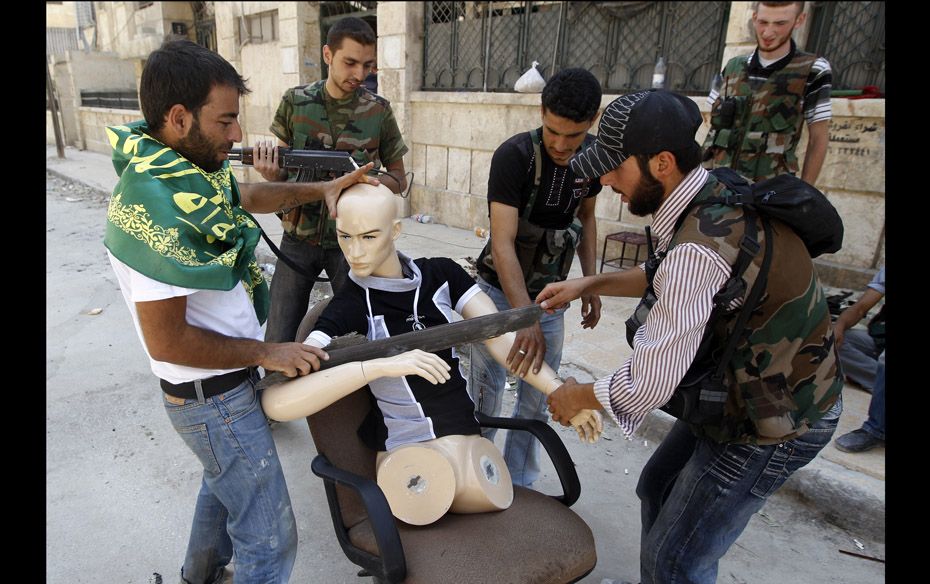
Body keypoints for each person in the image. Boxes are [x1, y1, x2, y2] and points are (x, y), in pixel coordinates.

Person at [537, 88, 844, 584]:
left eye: (615, 166)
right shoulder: (709, 189)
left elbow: (649, 385)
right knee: (657, 487)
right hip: (749, 384)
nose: (603, 178)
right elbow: (673, 277)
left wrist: (578, 395)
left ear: (660, 163)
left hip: (775, 417)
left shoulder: (694, 250)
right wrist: (588, 283)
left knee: (676, 560)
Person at [103, 39, 375, 584]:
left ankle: (199, 574)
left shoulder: (184, 171)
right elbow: (168, 341)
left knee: (222, 485)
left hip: (223, 388)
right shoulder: (152, 211)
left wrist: (319, 188)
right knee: (269, 540)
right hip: (210, 399)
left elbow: (244, 197)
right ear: (179, 118)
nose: (236, 136)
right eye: (225, 121)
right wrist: (267, 350)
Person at [260, 183, 602, 525]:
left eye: (368, 237)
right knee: (434, 498)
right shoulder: (348, 305)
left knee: (487, 499)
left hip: (465, 437)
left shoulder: (442, 274)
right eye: (345, 237)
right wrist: (376, 367)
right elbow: (277, 402)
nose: (354, 251)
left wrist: (557, 390)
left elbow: (499, 338)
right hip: (407, 451)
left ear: (395, 230)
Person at [468, 67, 604, 487]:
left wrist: (591, 284)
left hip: (552, 298)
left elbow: (587, 219)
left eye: (574, 136)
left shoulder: (596, 157)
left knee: (539, 396)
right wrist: (523, 318)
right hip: (497, 294)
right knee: (486, 392)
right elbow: (503, 241)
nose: (562, 146)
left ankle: (520, 481)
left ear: (592, 123)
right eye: (553, 132)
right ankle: (479, 473)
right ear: (541, 112)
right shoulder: (515, 156)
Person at [253, 16, 409, 345]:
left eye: (367, 65)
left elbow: (398, 179)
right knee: (278, 338)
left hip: (351, 244)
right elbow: (281, 173)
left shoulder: (378, 111)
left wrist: (361, 185)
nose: (359, 74)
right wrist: (270, 174)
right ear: (328, 55)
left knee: (360, 335)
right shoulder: (295, 102)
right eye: (349, 62)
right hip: (298, 239)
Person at [702, 1, 832, 184]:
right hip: (717, 187)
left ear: (799, 20)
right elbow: (712, 127)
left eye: (780, 23)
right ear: (754, 18)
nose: (768, 32)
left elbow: (818, 138)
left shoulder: (813, 69)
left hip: (769, 192)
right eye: (763, 22)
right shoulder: (733, 66)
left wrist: (804, 194)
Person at [832, 266, 885, 453]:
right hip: (880, 339)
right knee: (829, 339)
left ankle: (876, 430)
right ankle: (877, 381)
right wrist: (839, 325)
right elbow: (860, 307)